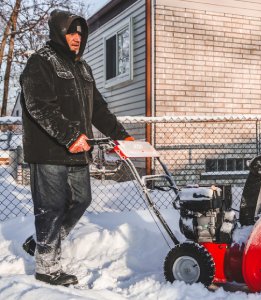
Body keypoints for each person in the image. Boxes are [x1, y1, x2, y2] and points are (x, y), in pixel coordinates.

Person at [20, 9, 133, 286]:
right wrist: (70, 136)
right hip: (49, 151)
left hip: (78, 150)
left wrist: (122, 136)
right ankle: (47, 267)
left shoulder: (83, 68)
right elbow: (39, 106)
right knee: (51, 207)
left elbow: (98, 109)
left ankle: (42, 244)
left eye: (81, 33)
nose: (77, 38)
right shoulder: (41, 62)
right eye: (72, 32)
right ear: (59, 32)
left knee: (81, 199)